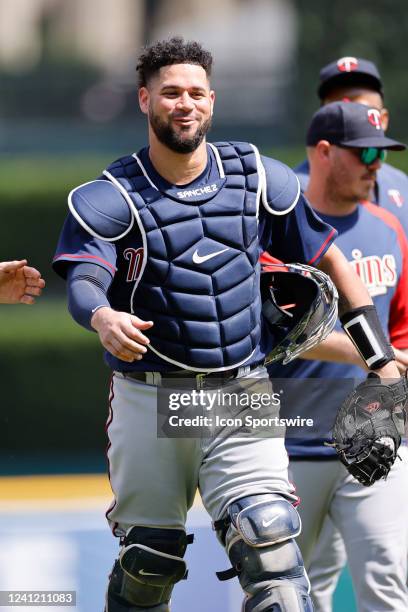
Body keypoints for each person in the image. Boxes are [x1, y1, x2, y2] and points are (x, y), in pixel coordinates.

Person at [53, 38, 402, 612]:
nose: (183, 103)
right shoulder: (112, 194)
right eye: (170, 93)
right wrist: (103, 314)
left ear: (212, 101)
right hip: (149, 395)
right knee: (150, 564)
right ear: (145, 99)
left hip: (240, 389)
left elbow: (330, 259)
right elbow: (85, 276)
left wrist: (379, 359)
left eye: (195, 93)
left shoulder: (257, 178)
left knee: (274, 559)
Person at [266, 101, 408, 612]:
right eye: (366, 151)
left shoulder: (389, 229)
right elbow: (277, 330)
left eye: (383, 151)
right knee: (288, 595)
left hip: (376, 439)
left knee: (387, 582)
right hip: (289, 444)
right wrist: (377, 355)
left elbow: (399, 328)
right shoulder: (280, 230)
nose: (377, 163)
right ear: (324, 152)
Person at [296, 56, 408, 236]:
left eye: (363, 109)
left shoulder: (400, 183)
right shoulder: (293, 194)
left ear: (383, 119)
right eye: (339, 107)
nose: (352, 116)